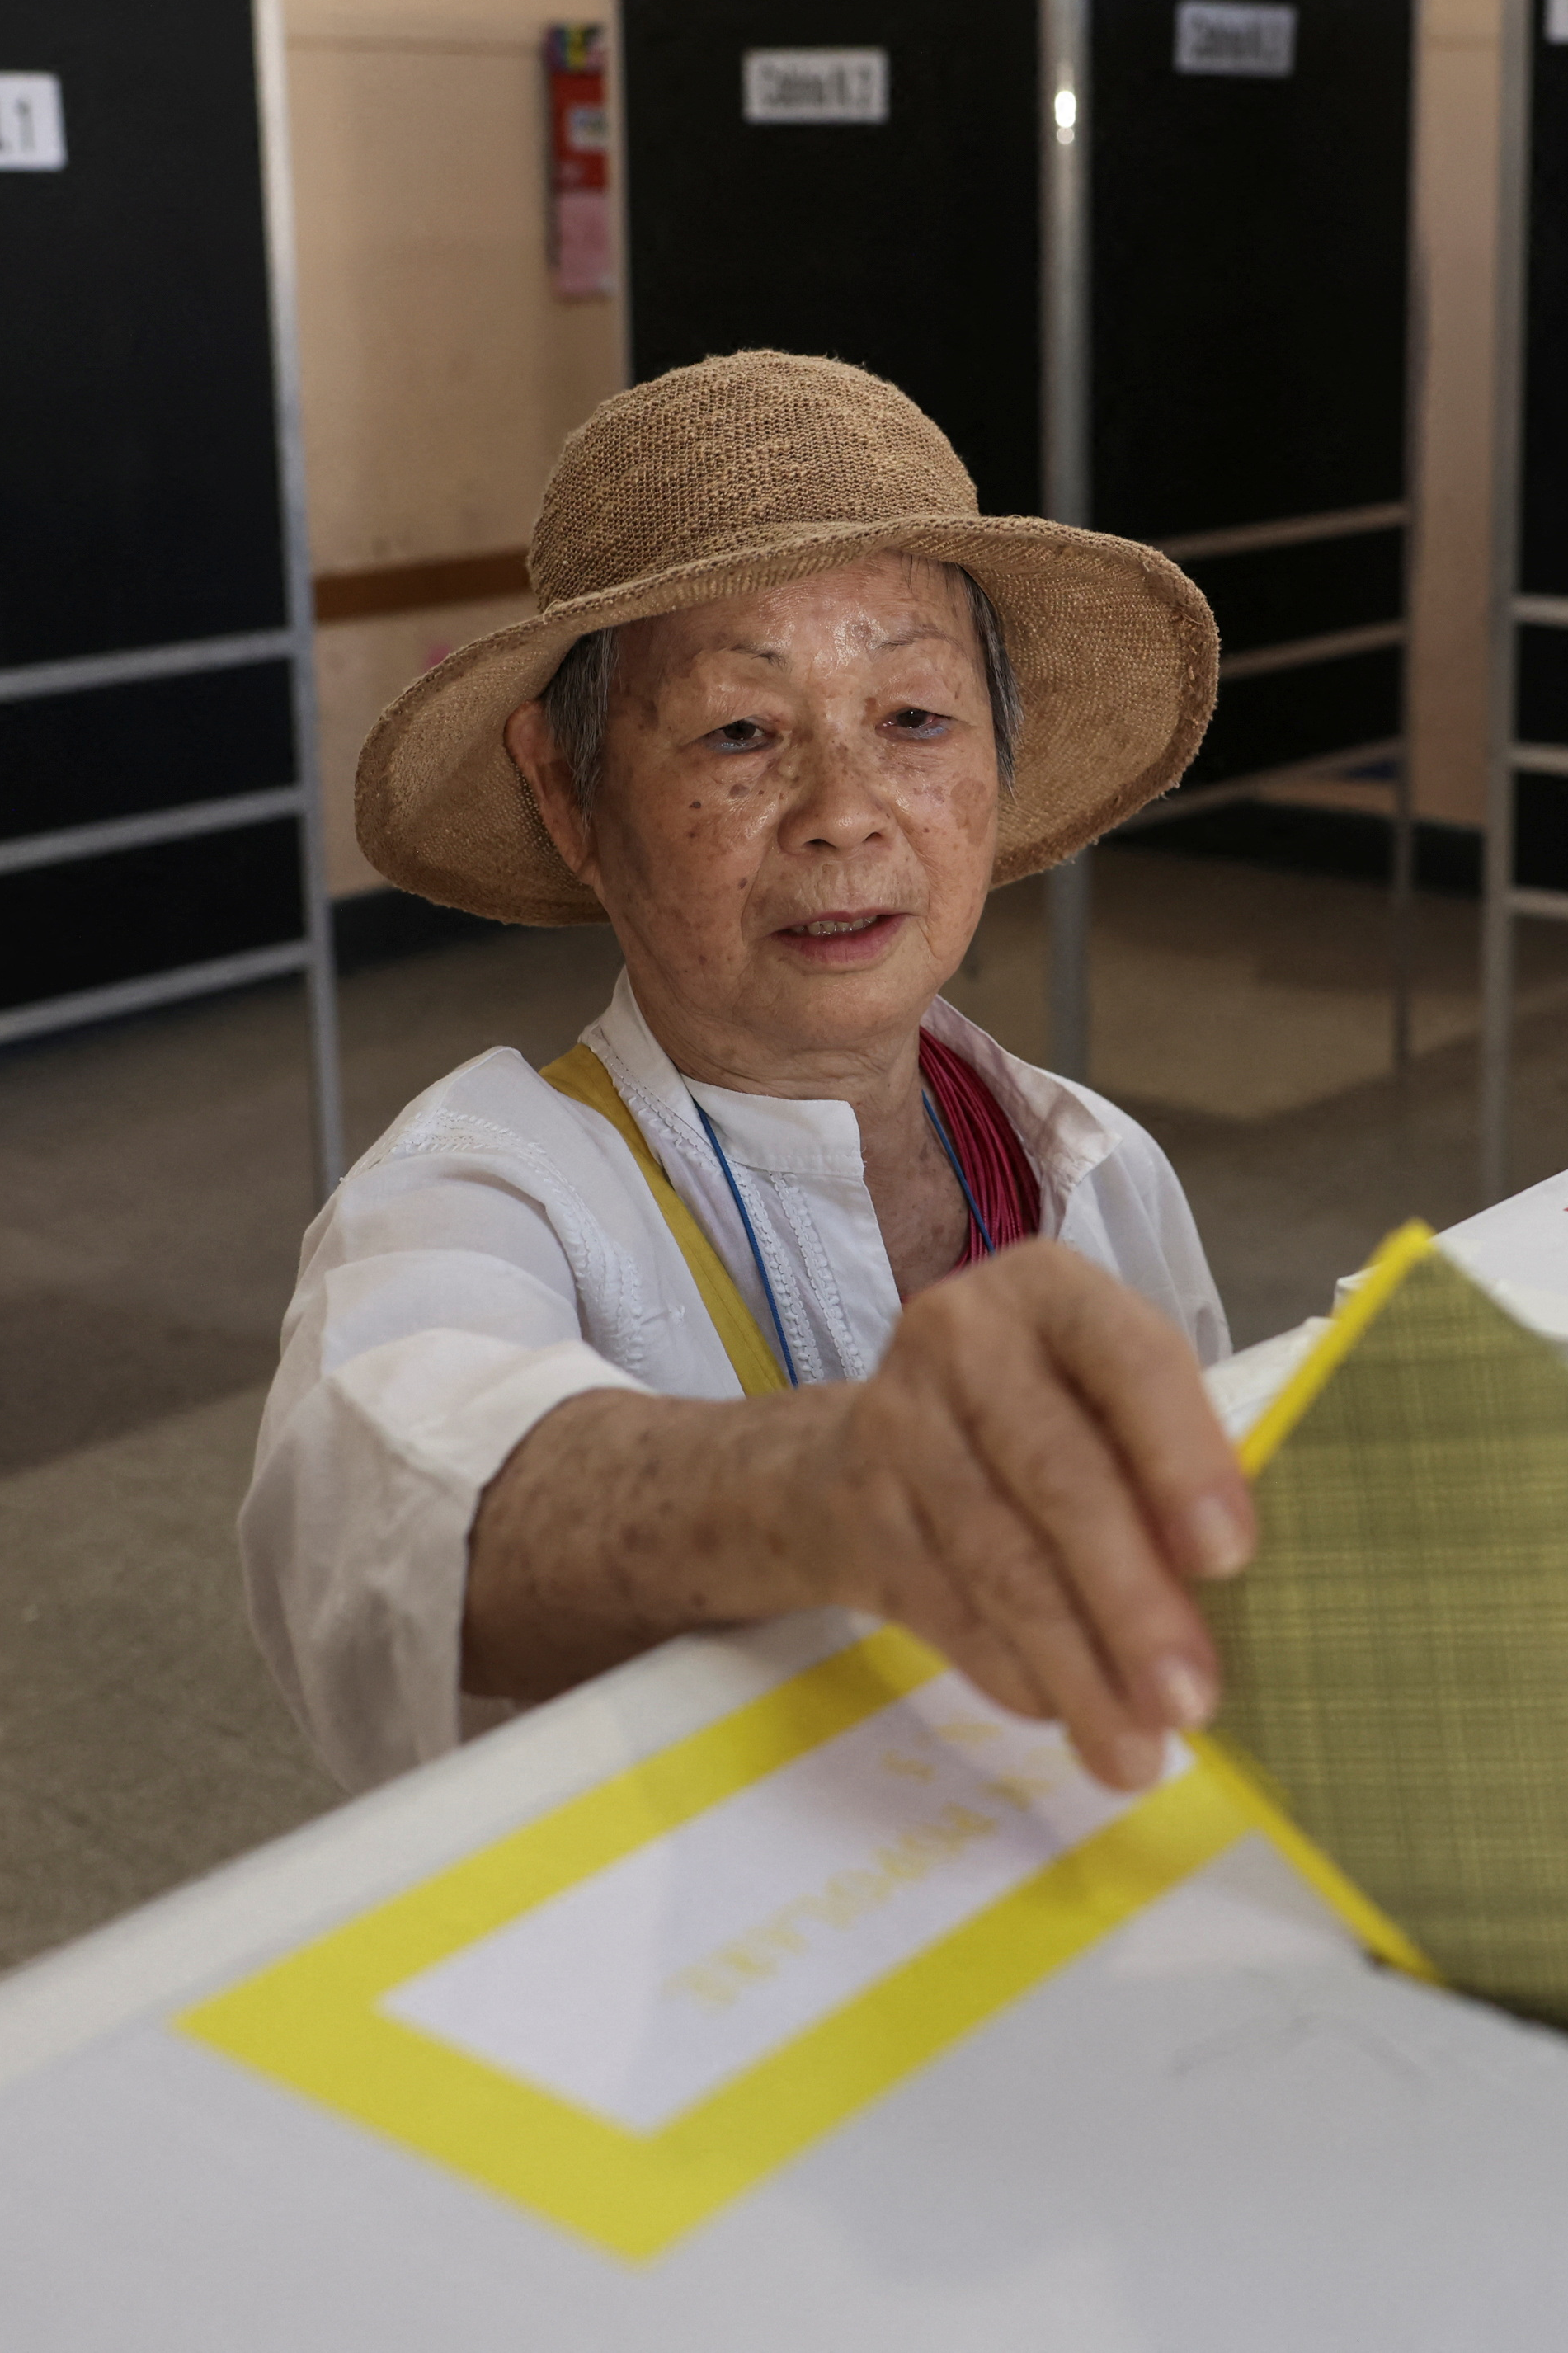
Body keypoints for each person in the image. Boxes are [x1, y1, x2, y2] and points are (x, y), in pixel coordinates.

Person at [241, 351, 1250, 1805]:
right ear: (566, 792)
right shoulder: (480, 1184)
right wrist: (826, 1478)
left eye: (914, 719)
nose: (844, 816)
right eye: (739, 733)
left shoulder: (1094, 1167)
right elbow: (382, 1505)